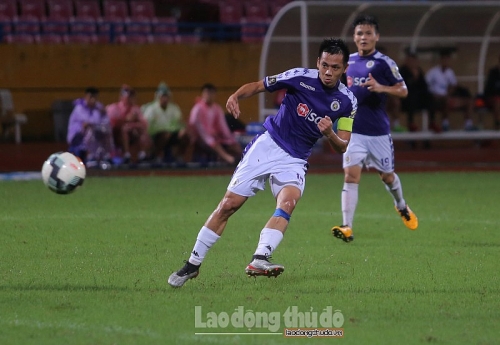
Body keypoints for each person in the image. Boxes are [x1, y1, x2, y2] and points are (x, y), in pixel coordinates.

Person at [168, 38, 357, 288]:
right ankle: (192, 265)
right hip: (268, 145)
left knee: (288, 202)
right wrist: (236, 95)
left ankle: (260, 258)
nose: (328, 72)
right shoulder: (299, 77)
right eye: (324, 65)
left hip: (295, 159)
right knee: (228, 205)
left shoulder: (348, 102)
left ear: (344, 69)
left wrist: (329, 134)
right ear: (317, 63)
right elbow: (259, 85)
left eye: (335, 67)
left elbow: (343, 144)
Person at [331, 14, 418, 244]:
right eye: (360, 33)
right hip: (353, 130)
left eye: (368, 33)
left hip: (378, 132)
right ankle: (347, 226)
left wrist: (381, 87)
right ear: (354, 37)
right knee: (351, 175)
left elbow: (403, 90)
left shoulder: (384, 63)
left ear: (376, 37)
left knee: (387, 177)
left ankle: (401, 205)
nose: (364, 37)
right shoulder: (346, 62)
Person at [188, 83, 242, 165]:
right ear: (203, 94)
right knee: (214, 143)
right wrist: (208, 137)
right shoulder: (198, 108)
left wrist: (229, 138)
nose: (209, 95)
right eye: (207, 93)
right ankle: (230, 159)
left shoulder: (217, 108)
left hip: (215, 137)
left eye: (211, 93)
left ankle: (244, 161)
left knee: (234, 145)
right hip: (200, 138)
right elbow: (194, 125)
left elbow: (223, 126)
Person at [425, 50, 475, 131]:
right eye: (444, 59)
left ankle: (468, 124)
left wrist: (452, 91)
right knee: (446, 100)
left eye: (447, 60)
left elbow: (454, 85)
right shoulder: (433, 72)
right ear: (440, 60)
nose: (446, 62)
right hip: (436, 99)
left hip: (448, 97)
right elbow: (426, 85)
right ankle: (445, 123)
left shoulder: (450, 72)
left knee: (469, 101)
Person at [142, 82, 190, 164]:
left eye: (166, 97)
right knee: (165, 135)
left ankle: (178, 157)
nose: (165, 99)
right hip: (156, 136)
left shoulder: (174, 108)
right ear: (158, 97)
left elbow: (180, 123)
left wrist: (182, 130)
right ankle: (155, 156)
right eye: (162, 97)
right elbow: (146, 125)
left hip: (172, 134)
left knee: (185, 135)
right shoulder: (151, 109)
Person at [67, 87, 114, 166]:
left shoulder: (99, 108)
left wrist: (104, 114)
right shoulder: (79, 108)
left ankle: (106, 156)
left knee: (107, 131)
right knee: (90, 129)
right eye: (90, 97)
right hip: (78, 136)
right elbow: (88, 122)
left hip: (95, 134)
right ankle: (91, 156)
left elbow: (105, 122)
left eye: (94, 97)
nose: (93, 100)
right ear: (86, 97)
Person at [106, 85, 149, 164]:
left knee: (141, 129)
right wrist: (127, 120)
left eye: (132, 96)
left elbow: (144, 123)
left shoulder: (135, 109)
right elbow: (112, 123)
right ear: (121, 97)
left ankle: (142, 155)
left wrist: (136, 122)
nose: (130, 98)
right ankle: (126, 155)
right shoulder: (114, 107)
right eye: (128, 96)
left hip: (132, 135)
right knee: (124, 129)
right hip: (116, 135)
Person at [399, 51, 435, 132]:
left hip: (419, 98)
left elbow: (424, 86)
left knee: (430, 98)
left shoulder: (419, 71)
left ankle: (432, 122)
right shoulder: (402, 71)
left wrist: (417, 77)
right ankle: (411, 123)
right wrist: (413, 78)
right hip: (406, 98)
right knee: (412, 97)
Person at [483, 53, 500, 130]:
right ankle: (497, 124)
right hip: (492, 98)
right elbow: (489, 89)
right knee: (497, 101)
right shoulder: (493, 73)